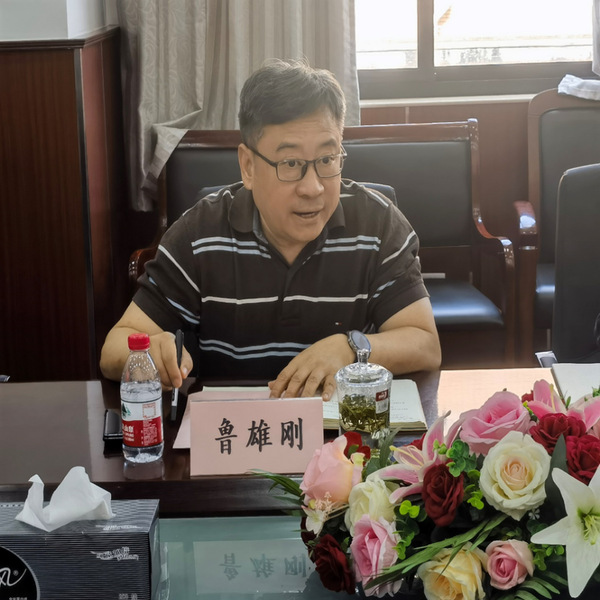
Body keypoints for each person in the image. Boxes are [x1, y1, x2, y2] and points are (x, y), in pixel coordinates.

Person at [100, 59, 441, 401]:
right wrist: (150, 355)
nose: (313, 188)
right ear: (248, 166)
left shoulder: (378, 224)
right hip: (234, 423)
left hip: (341, 426)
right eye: (290, 164)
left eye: (327, 160)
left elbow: (425, 344)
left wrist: (351, 348)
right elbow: (114, 348)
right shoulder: (199, 235)